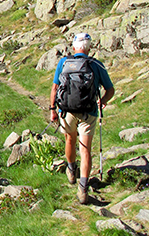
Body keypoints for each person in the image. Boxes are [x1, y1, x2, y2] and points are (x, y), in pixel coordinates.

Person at [49, 33, 115, 204]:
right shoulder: (96, 65)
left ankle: (71, 170)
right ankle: (83, 189)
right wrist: (102, 102)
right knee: (85, 149)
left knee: (69, 140)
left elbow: (55, 88)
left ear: (73, 47)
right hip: (89, 113)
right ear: (89, 48)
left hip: (67, 111)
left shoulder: (64, 63)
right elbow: (110, 90)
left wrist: (52, 110)